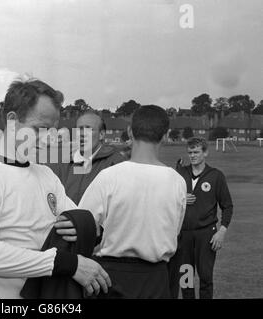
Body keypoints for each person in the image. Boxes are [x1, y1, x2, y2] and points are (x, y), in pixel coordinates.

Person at [0, 78, 111, 299]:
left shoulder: (46, 175)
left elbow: (85, 223)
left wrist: (90, 230)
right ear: (12, 120)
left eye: (52, 131)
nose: (48, 140)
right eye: (40, 129)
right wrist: (68, 264)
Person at [79, 105, 187, 298]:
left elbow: (80, 226)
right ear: (165, 135)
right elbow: (175, 231)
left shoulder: (109, 176)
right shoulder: (177, 181)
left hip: (111, 278)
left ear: (129, 132)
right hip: (156, 278)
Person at [169, 137, 233, 299]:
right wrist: (181, 197)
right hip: (183, 235)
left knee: (205, 277)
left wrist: (222, 231)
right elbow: (167, 199)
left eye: (196, 152)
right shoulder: (180, 173)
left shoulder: (216, 176)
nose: (193, 155)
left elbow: (227, 206)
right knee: (186, 278)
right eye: (190, 152)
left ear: (205, 153)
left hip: (206, 235)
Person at [49, 111, 125, 204]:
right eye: (79, 129)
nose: (82, 134)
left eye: (89, 129)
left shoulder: (115, 164)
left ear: (101, 135)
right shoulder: (60, 164)